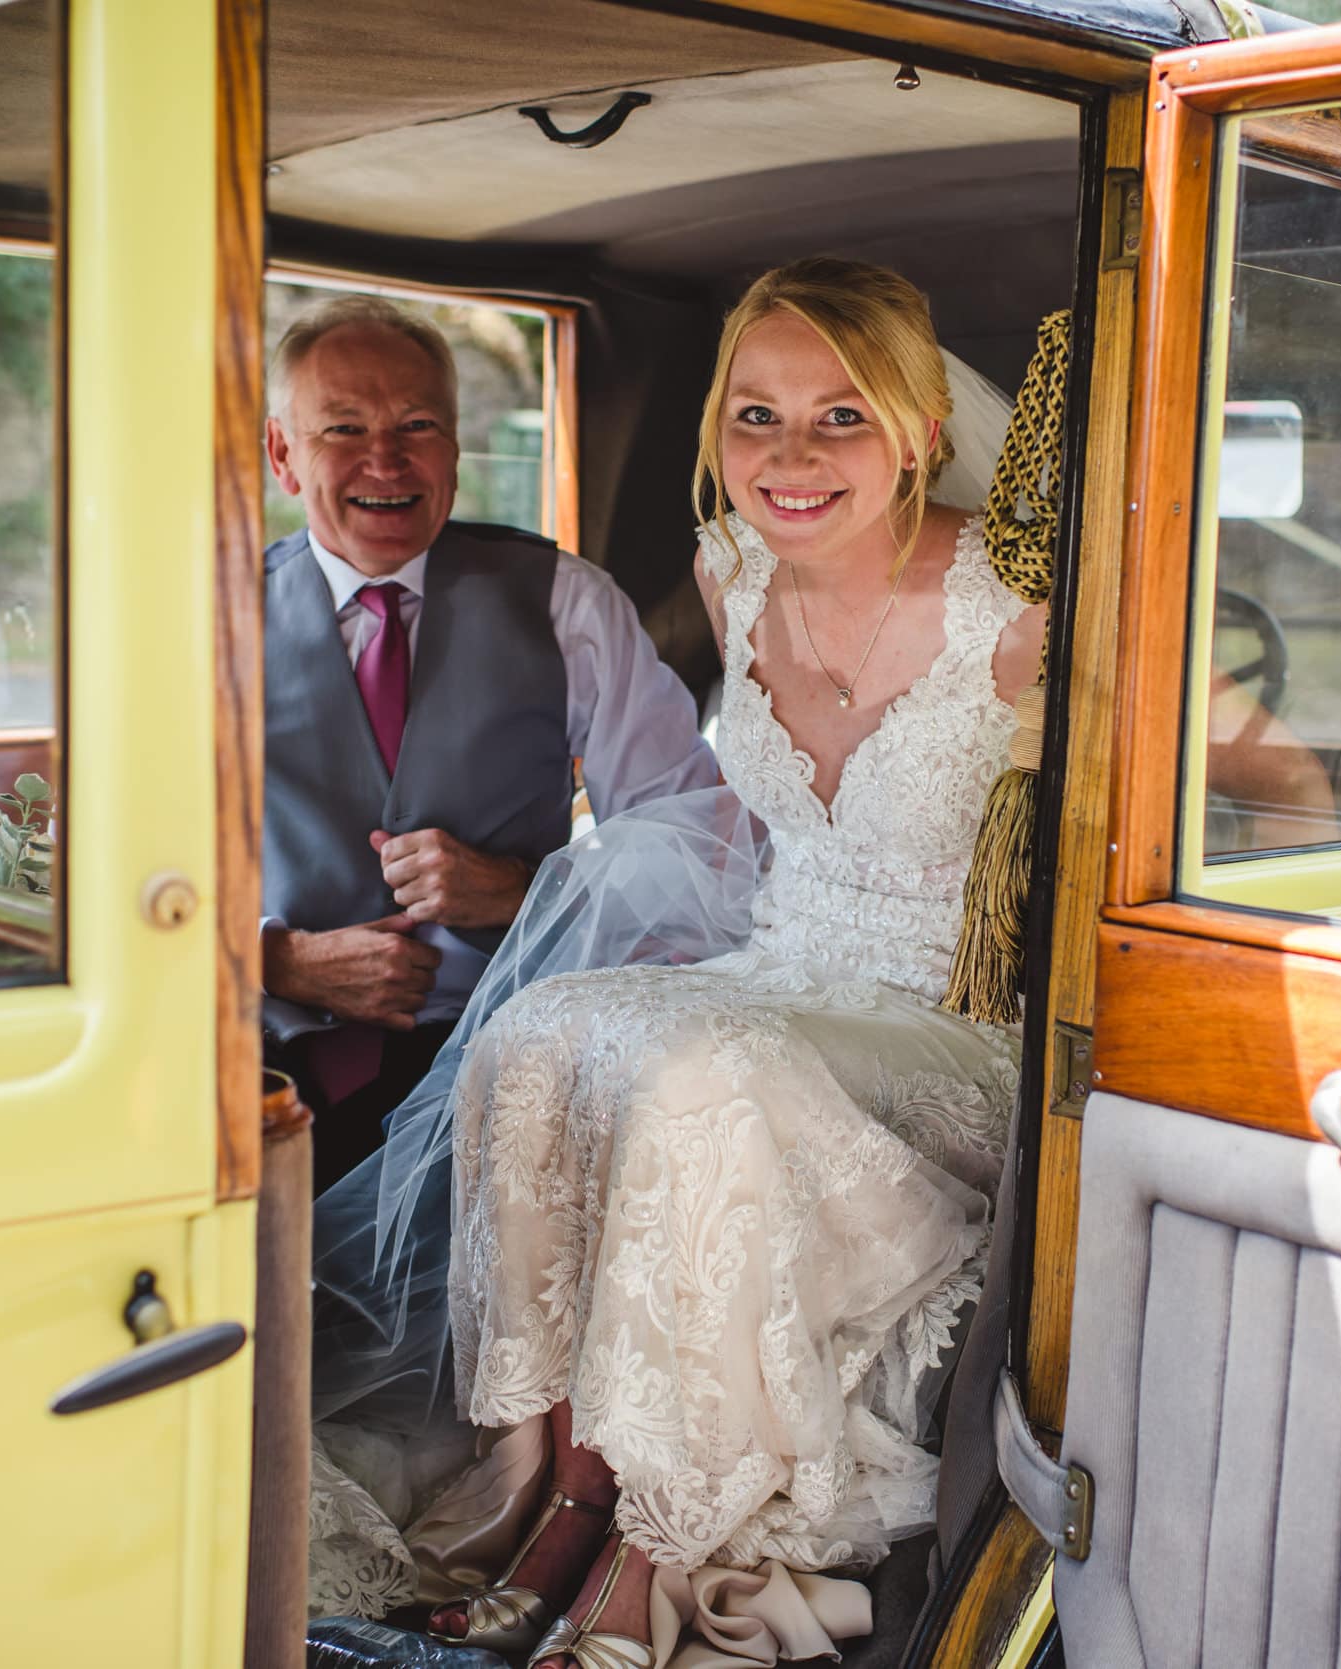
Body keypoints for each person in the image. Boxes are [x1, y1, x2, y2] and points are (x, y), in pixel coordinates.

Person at [385, 256, 1045, 1668]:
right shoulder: (728, 574)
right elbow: (741, 830)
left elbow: (1255, 764)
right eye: (757, 417)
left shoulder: (1019, 610)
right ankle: (556, 1494)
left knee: (700, 1076)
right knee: (540, 1033)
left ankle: (653, 1560)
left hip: (948, 1023)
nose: (790, 460)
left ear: (923, 430)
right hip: (781, 961)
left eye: (842, 419)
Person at [260, 294, 715, 1188]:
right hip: (268, 1073)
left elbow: (689, 842)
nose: (384, 459)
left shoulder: (568, 601)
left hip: (517, 1063)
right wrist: (281, 960)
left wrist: (526, 890)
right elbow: (119, 876)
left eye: (418, 424)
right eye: (343, 428)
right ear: (283, 454)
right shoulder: (200, 616)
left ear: (455, 447)